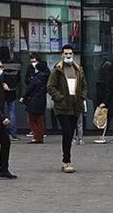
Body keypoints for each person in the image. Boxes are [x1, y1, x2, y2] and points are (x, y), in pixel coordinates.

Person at [47, 44, 88, 174]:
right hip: (62, 107)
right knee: (67, 132)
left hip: (75, 106)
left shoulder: (78, 69)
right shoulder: (57, 70)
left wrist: (81, 97)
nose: (68, 56)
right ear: (62, 54)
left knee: (71, 132)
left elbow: (84, 86)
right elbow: (50, 86)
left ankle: (67, 159)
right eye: (66, 54)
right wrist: (60, 98)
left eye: (70, 54)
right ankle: (66, 161)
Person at [22, 61, 49, 143]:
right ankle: (40, 137)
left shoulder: (36, 78)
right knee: (40, 120)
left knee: (32, 120)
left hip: (34, 100)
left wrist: (24, 97)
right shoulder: (46, 77)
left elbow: (29, 89)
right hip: (42, 100)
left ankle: (36, 137)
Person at [0, 46, 21, 141]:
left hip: (0, 91)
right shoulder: (15, 65)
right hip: (12, 90)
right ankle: (14, 133)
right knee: (11, 111)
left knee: (0, 111)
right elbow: (19, 79)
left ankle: (0, 132)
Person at [24, 53, 41, 137]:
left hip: (38, 93)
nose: (33, 63)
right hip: (31, 93)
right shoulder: (30, 68)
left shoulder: (42, 69)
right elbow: (26, 80)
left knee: (38, 115)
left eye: (35, 61)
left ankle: (39, 132)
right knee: (31, 114)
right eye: (32, 61)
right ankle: (34, 131)